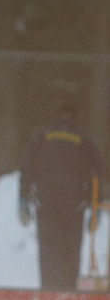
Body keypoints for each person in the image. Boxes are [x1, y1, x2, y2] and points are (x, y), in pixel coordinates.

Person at [19, 104, 103, 290]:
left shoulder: (41, 136)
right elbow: (98, 172)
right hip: (75, 204)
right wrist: (96, 205)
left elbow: (27, 167)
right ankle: (68, 291)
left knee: (49, 248)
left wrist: (23, 197)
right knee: (71, 249)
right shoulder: (84, 139)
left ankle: (49, 290)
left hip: (46, 201)